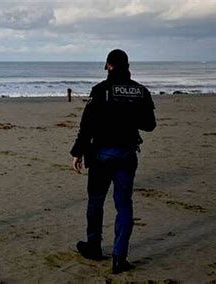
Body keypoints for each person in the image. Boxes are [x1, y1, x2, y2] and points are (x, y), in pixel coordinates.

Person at [70, 49, 156, 274]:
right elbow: (150, 124)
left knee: (96, 201)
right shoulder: (140, 91)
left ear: (109, 66)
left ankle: (94, 246)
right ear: (127, 66)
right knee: (124, 204)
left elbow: (86, 125)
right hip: (127, 153)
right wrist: (130, 116)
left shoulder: (100, 90)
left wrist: (77, 152)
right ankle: (120, 256)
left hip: (102, 154)